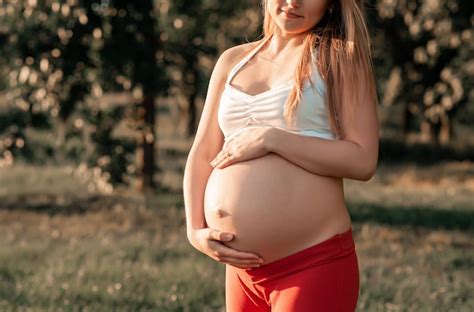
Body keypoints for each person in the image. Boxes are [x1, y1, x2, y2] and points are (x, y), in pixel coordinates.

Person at [183, 0, 379, 310]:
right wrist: (195, 230)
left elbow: (363, 159)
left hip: (313, 264)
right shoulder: (233, 60)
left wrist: (272, 139)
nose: (293, 2)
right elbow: (203, 150)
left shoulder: (339, 57)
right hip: (242, 271)